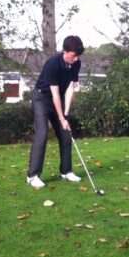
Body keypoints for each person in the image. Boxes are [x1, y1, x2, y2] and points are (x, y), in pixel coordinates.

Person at [26, 35, 84, 189]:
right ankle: (32, 176)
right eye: (73, 55)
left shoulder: (75, 64)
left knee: (66, 133)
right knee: (42, 133)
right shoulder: (52, 64)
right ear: (65, 51)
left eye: (78, 55)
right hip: (42, 98)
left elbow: (70, 89)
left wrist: (65, 115)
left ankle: (66, 171)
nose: (76, 58)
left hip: (58, 99)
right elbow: (55, 94)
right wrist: (61, 117)